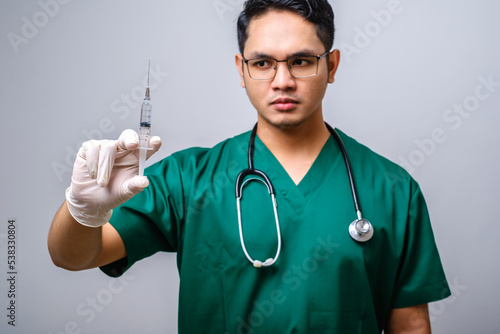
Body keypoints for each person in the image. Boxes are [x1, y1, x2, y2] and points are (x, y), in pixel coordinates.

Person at [48, 0, 451, 332]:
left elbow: (411, 324)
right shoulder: (189, 179)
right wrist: (83, 209)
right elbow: (74, 256)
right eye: (262, 64)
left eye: (301, 61)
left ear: (333, 65)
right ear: (241, 70)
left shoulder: (393, 189)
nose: (282, 81)